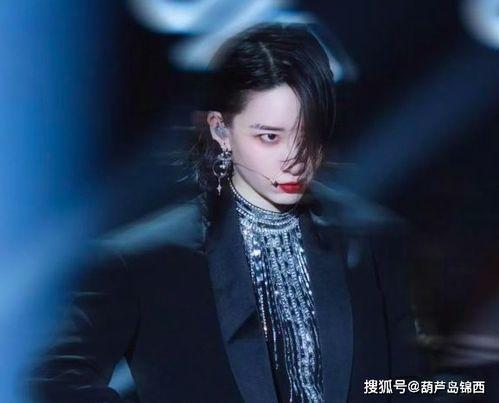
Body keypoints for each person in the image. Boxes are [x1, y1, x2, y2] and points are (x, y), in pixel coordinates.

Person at [26, 23, 430, 402]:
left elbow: (400, 381)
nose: (295, 159)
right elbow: (59, 379)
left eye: (309, 134)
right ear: (221, 130)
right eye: (270, 137)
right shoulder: (143, 259)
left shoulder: (371, 238)